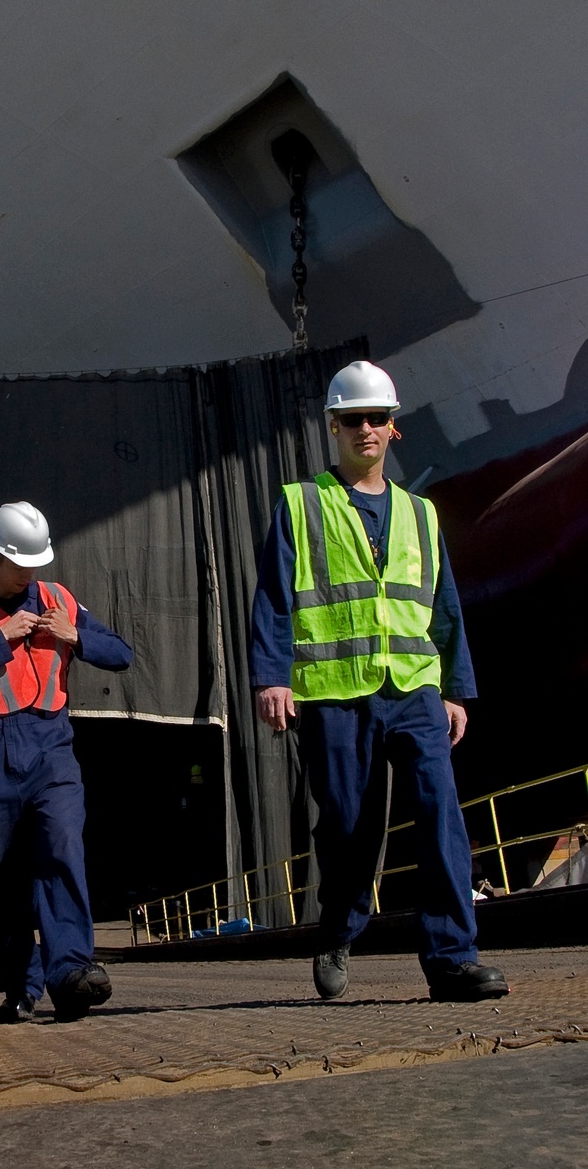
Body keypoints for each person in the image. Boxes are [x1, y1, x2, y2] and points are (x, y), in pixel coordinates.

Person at [249, 360, 509, 1003]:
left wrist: (455, 688)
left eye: (378, 418)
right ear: (332, 427)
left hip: (414, 688)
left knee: (440, 812)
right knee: (348, 825)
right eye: (353, 419)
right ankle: (338, 928)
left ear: (393, 430)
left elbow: (444, 604)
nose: (366, 429)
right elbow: (275, 600)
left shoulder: (422, 515)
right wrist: (270, 677)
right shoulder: (302, 504)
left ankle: (452, 957)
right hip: (335, 694)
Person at [0, 500, 132, 1023]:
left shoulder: (58, 599)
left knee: (62, 849)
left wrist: (76, 636)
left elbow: (121, 652)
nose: (30, 576)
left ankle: (71, 973)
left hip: (51, 750)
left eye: (36, 563)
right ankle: (20, 983)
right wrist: (1, 638)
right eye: (21, 565)